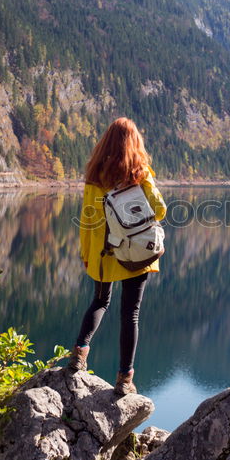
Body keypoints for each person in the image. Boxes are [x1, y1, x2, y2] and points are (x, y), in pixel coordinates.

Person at [68, 117, 166, 397]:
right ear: (135, 142)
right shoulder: (140, 171)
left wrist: (86, 255)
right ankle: (124, 379)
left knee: (100, 301)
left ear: (107, 140)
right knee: (130, 314)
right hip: (137, 253)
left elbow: (88, 221)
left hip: (104, 255)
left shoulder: (94, 175)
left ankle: (79, 354)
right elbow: (159, 211)